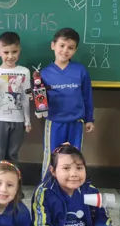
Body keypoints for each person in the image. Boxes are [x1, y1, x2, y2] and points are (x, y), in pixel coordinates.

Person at [39, 28, 94, 180]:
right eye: (62, 45)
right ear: (53, 45)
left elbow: (87, 95)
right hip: (54, 122)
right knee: (52, 156)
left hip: (76, 122)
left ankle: (72, 187)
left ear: (75, 50)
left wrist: (89, 118)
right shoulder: (44, 73)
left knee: (74, 158)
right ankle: (46, 187)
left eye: (70, 47)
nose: (65, 50)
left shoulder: (80, 70)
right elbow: (40, 99)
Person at [0, 32, 32, 164]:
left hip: (17, 121)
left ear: (19, 51)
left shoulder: (25, 72)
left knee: (13, 155)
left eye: (14, 52)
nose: (10, 56)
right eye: (6, 52)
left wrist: (27, 121)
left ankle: (13, 183)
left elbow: (25, 97)